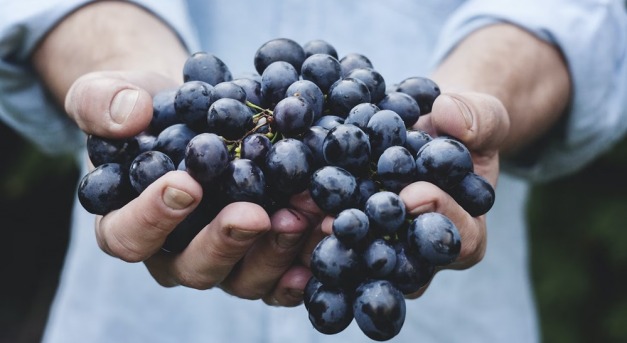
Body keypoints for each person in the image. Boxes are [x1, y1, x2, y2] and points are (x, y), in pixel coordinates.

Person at [1, 1, 626, 342]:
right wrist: (124, 71)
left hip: (440, 279)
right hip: (138, 319)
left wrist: (479, 97)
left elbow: (584, 17)